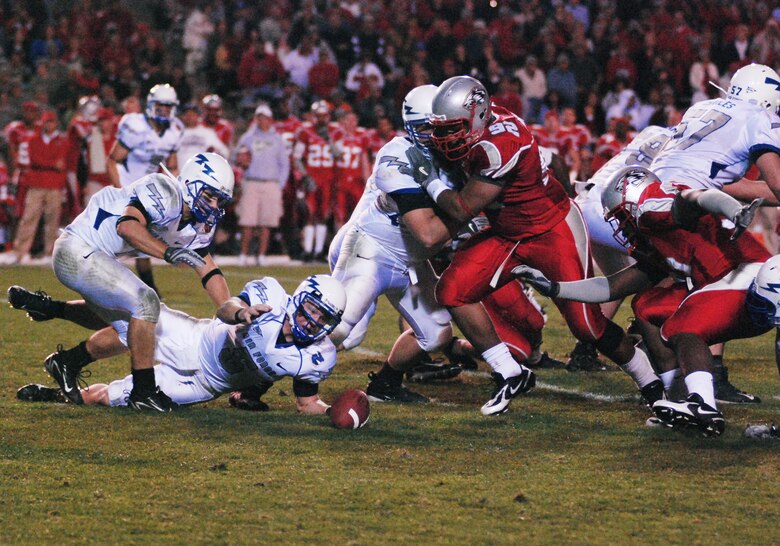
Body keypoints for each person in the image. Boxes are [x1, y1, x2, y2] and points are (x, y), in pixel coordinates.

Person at [411, 76, 662, 416]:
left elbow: (462, 208)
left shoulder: (499, 145)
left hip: (551, 230)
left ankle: (650, 382)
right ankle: (509, 372)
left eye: (453, 128)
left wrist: (428, 179)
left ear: (478, 115)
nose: (446, 138)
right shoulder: (482, 128)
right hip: (506, 233)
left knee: (586, 324)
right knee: (452, 290)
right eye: (443, 130)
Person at [515, 166, 768, 436]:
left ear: (631, 200)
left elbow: (695, 198)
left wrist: (733, 209)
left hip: (747, 276)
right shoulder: (655, 238)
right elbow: (611, 287)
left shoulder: (652, 208)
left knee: (683, 326)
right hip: (725, 286)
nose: (621, 226)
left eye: (621, 216)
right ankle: (678, 399)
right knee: (648, 306)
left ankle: (703, 406)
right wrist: (555, 288)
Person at [331, 85, 518, 407]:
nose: (436, 137)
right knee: (342, 332)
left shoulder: (463, 156)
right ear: (410, 128)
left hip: (411, 261)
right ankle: (255, 375)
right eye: (426, 129)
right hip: (372, 250)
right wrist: (472, 214)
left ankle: (386, 383)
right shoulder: (399, 156)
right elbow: (429, 235)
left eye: (442, 128)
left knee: (436, 333)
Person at [9, 152, 235, 412]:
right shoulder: (164, 189)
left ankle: (64, 353)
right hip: (77, 249)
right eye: (209, 196)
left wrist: (231, 310)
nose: (215, 205)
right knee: (147, 303)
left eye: (220, 200)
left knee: (137, 331)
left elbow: (208, 268)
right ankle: (144, 392)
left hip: (96, 257)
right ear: (189, 184)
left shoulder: (196, 223)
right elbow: (126, 226)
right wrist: (167, 252)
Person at [15, 275, 345, 415]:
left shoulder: (316, 356)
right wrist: (241, 312)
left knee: (112, 399)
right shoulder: (270, 296)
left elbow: (307, 403)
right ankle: (53, 309)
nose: (313, 322)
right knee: (131, 313)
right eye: (312, 310)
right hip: (194, 338)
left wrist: (339, 412)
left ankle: (59, 395)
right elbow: (224, 308)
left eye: (323, 319)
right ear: (298, 300)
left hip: (202, 383)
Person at [107, 83, 183, 297]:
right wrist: (118, 191)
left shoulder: (174, 131)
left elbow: (173, 165)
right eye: (161, 106)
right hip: (125, 187)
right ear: (151, 105)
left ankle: (150, 290)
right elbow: (112, 160)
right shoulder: (136, 127)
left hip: (146, 193)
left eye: (169, 106)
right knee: (118, 241)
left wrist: (176, 190)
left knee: (141, 244)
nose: (165, 111)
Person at [0, 110, 68, 264]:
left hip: (54, 185)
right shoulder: (34, 139)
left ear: (55, 123)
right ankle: (20, 252)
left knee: (52, 221)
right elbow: (35, 159)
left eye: (51, 121)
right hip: (36, 184)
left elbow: (62, 161)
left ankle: (50, 254)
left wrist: (48, 164)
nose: (48, 124)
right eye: (46, 121)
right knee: (28, 218)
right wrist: (52, 164)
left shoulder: (61, 140)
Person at [235, 103, 289, 266]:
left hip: (271, 183)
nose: (262, 120)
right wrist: (241, 164)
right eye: (259, 117)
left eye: (265, 117)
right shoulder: (248, 137)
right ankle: (244, 254)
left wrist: (280, 184)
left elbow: (284, 164)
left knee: (267, 222)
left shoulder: (277, 139)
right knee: (247, 221)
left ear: (270, 119)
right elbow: (237, 158)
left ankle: (262, 255)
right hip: (252, 181)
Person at [293, 100, 342, 262]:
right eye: (319, 116)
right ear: (314, 116)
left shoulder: (335, 132)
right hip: (312, 177)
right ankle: (307, 251)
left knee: (323, 215)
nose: (322, 119)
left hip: (328, 179)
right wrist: (305, 176)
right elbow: (297, 157)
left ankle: (319, 251)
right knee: (309, 214)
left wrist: (328, 139)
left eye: (324, 116)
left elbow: (338, 154)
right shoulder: (305, 132)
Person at [176, 103, 228, 167]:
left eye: (193, 114)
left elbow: (224, 152)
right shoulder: (176, 133)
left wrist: (214, 153)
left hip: (202, 171)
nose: (189, 117)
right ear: (182, 117)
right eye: (187, 114)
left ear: (198, 116)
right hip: (180, 171)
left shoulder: (207, 133)